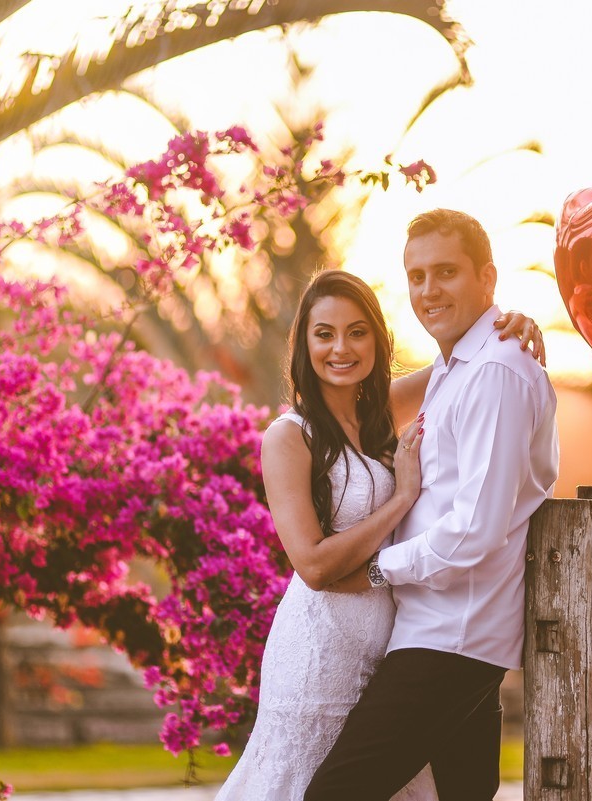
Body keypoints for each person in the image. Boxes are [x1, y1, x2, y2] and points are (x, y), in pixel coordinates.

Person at [214, 269, 545, 801]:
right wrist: (400, 501)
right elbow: (315, 566)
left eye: (357, 331)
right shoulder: (289, 436)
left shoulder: (379, 415)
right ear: (303, 344)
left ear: (378, 339)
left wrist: (510, 322)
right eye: (324, 334)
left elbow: (463, 361)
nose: (341, 348)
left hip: (390, 641)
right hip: (321, 645)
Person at [305, 210, 560, 801]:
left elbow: (476, 527)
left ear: (488, 278)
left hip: (453, 634)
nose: (427, 290)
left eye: (445, 272)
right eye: (416, 276)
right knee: (465, 793)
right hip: (434, 626)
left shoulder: (498, 371)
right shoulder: (456, 368)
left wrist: (374, 570)